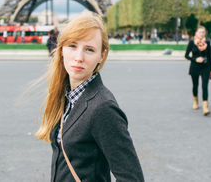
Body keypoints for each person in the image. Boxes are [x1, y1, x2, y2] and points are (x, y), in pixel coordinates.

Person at [36, 13, 144, 182]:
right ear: (62, 49)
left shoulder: (102, 108)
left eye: (89, 49)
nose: (79, 58)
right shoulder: (66, 96)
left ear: (101, 55)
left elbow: (132, 178)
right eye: (72, 45)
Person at [184, 26, 211, 116]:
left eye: (203, 32)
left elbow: (210, 56)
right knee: (195, 85)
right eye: (200, 32)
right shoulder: (192, 42)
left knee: (205, 86)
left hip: (205, 67)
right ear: (197, 33)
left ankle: (205, 107)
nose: (202, 34)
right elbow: (186, 55)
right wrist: (195, 59)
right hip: (195, 66)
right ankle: (195, 101)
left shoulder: (207, 42)